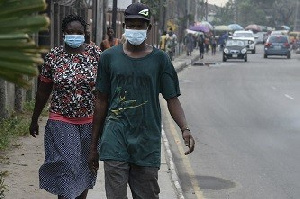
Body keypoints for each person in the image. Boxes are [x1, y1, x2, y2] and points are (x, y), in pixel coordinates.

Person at [88, 2, 195, 199]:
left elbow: (172, 99)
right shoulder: (108, 57)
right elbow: (101, 101)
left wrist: (184, 128)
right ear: (124, 27)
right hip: (115, 138)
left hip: (146, 141)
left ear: (149, 28)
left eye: (140, 25)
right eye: (131, 25)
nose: (135, 29)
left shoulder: (160, 59)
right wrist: (94, 146)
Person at [29, 14, 101, 199]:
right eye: (70, 32)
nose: (75, 35)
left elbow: (105, 90)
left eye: (79, 32)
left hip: (89, 122)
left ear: (85, 34)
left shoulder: (96, 56)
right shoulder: (54, 56)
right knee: (68, 165)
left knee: (85, 167)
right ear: (63, 33)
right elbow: (43, 91)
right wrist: (34, 118)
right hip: (61, 120)